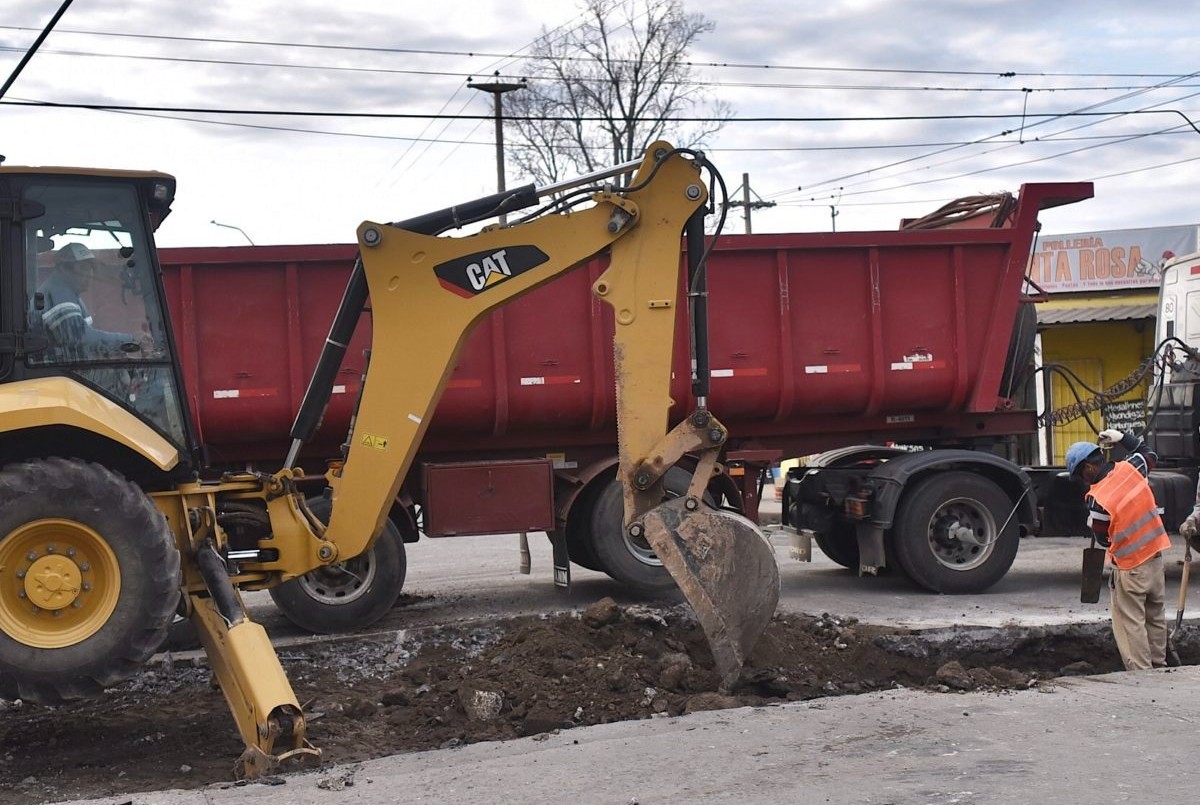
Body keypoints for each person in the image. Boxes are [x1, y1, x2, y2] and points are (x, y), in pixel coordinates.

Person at [1066, 428, 1172, 671]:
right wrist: (1123, 438)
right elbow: (1149, 452)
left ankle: (1142, 675)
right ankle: (1161, 668)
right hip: (1156, 559)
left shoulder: (1097, 498)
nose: (1083, 481)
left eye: (1082, 475)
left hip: (1130, 568)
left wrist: (1094, 524)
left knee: (1130, 623)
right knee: (1154, 617)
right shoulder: (1131, 468)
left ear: (1089, 468)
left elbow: (1103, 542)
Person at [35, 242, 142, 357]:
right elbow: (80, 337)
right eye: (83, 268)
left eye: (90, 268)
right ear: (63, 269)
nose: (88, 274)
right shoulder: (59, 293)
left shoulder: (67, 292)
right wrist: (130, 339)